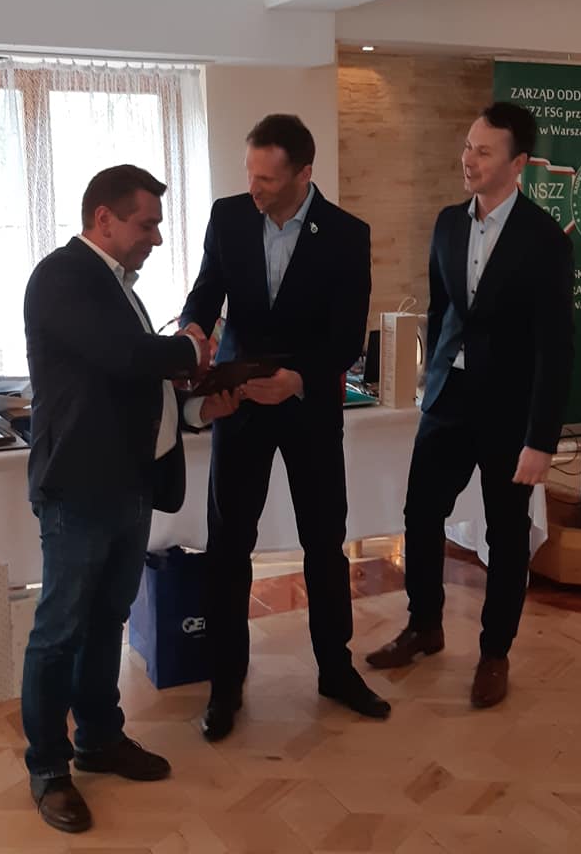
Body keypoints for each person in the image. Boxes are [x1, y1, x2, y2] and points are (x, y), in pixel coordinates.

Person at [22, 164, 238, 833]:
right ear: (103, 219)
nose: (156, 237)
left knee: (105, 623)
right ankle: (48, 767)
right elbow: (125, 357)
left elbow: (140, 387)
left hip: (129, 485)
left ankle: (99, 738)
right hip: (80, 489)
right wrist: (192, 347)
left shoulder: (119, 287)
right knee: (59, 633)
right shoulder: (62, 277)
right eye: (147, 224)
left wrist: (198, 408)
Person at [180, 113, 391, 742]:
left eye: (267, 179)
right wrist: (193, 332)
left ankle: (336, 670)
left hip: (308, 407)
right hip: (239, 403)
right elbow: (205, 293)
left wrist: (298, 380)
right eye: (250, 173)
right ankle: (225, 683)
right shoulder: (228, 217)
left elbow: (347, 338)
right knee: (228, 548)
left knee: (324, 543)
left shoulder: (347, 235)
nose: (254, 187)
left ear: (304, 174)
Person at [367, 102, 574, 708]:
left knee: (506, 534)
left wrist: (541, 439)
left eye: (484, 151)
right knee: (420, 513)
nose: (468, 160)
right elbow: (443, 311)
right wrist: (431, 379)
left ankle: (494, 653)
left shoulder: (544, 238)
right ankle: (424, 626)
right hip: (449, 400)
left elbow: (556, 347)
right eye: (467, 146)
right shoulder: (448, 224)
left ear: (518, 163)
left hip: (509, 412)